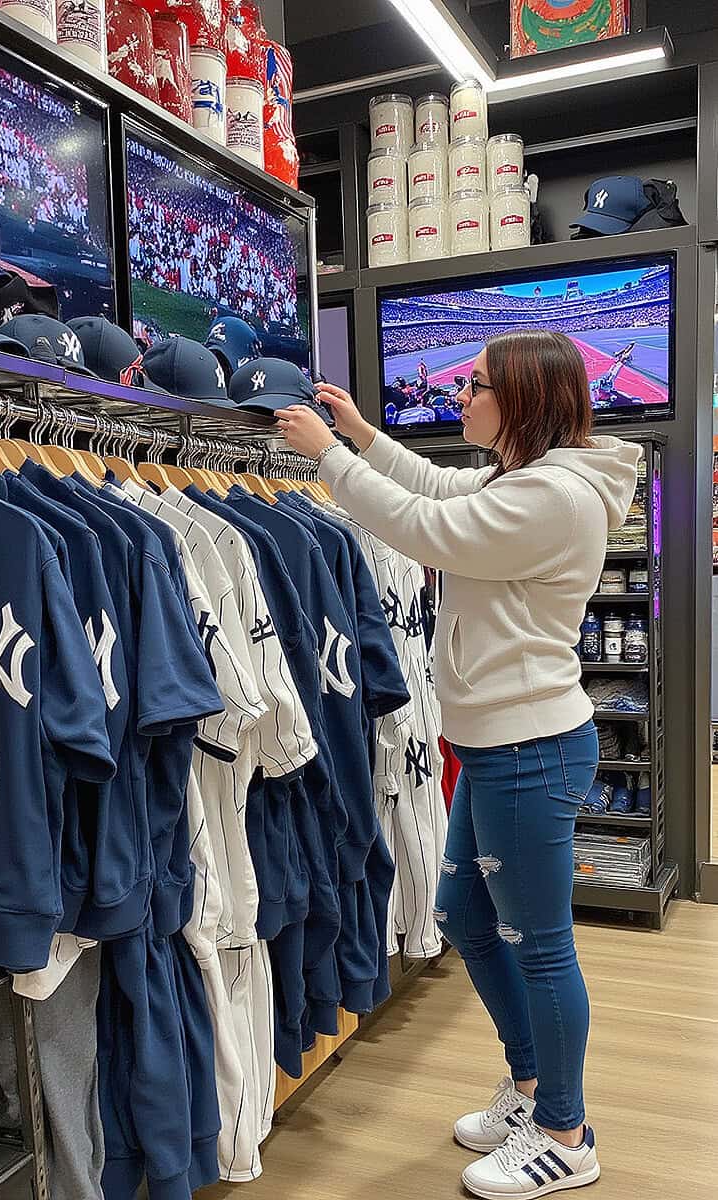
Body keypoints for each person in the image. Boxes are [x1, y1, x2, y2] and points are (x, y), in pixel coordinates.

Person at [275, 330, 641, 1200]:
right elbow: (441, 489)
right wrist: (363, 436)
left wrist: (329, 458)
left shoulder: (554, 497)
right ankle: (530, 1090)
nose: (458, 397)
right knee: (467, 918)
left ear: (520, 399)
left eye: (472, 386)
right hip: (498, 743)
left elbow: (430, 529)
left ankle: (565, 1131)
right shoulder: (520, 480)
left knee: (540, 946)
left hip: (527, 747)